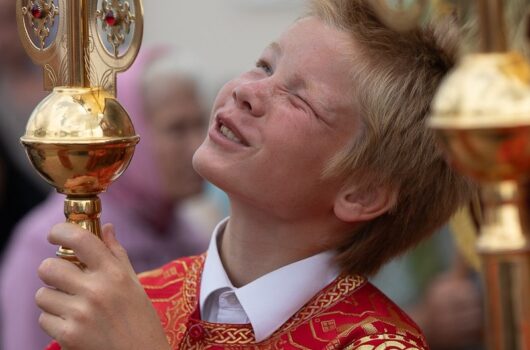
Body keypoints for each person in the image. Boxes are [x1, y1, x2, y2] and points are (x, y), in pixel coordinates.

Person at [36, 0, 475, 349]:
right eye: (265, 65)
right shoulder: (137, 299)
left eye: (300, 100)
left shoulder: (374, 342)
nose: (246, 90)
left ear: (363, 193)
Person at [0, 48, 209, 350]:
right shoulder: (51, 244)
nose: (197, 144)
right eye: (177, 128)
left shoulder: (193, 239)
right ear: (124, 137)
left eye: (199, 123)